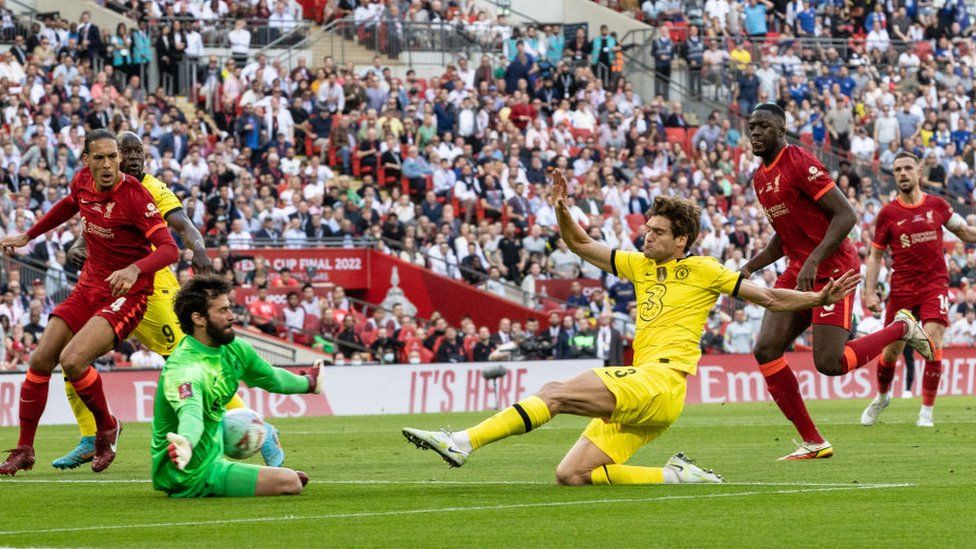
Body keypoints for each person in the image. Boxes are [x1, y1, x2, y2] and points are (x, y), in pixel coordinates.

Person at [402, 170, 859, 485]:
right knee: (572, 475)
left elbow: (770, 296)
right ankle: (675, 476)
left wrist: (818, 298)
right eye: (647, 229)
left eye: (658, 232)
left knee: (556, 392)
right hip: (649, 388)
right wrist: (562, 206)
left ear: (681, 240)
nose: (648, 236)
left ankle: (461, 442)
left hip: (661, 381)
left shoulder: (704, 269)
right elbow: (579, 243)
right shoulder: (638, 265)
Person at [53, 131, 286, 470]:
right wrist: (77, 247)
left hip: (151, 293)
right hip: (105, 290)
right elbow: (95, 228)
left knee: (188, 367)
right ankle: (92, 435)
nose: (132, 157)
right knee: (71, 356)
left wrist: (200, 249)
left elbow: (184, 225)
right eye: (125, 151)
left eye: (137, 151)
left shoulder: (153, 189)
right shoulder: (96, 188)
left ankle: (261, 429)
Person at [740, 104, 934, 460]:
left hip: (832, 270)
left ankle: (900, 329)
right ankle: (814, 442)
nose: (754, 133)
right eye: (751, 127)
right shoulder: (760, 178)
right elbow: (784, 237)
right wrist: (749, 268)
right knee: (766, 349)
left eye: (763, 126)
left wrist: (814, 259)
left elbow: (847, 215)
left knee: (829, 364)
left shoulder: (799, 162)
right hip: (800, 270)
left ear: (781, 130)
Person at [0, 129, 180, 476]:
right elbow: (69, 204)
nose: (109, 164)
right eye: (100, 158)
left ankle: (106, 428)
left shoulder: (136, 197)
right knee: (40, 359)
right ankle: (24, 450)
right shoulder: (81, 180)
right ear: (87, 161)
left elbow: (170, 249)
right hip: (89, 285)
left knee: (72, 360)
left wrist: (134, 269)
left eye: (113, 157)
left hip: (127, 294)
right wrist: (29, 235)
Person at [153, 275, 323, 497]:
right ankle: (276, 478)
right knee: (290, 482)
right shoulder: (184, 367)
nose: (232, 316)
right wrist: (185, 443)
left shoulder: (234, 348)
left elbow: (272, 377)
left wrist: (308, 383)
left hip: (212, 460)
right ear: (199, 318)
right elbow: (190, 414)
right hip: (187, 474)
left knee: (287, 478)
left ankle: (270, 477)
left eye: (230, 308)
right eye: (222, 311)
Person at [861, 152, 976, 428]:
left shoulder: (938, 205)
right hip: (901, 290)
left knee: (933, 342)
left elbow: (966, 233)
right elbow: (875, 256)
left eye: (907, 168)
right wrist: (869, 291)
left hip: (934, 285)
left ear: (918, 172)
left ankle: (926, 411)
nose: (902, 173)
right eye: (897, 169)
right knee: (890, 353)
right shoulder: (887, 213)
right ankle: (882, 396)